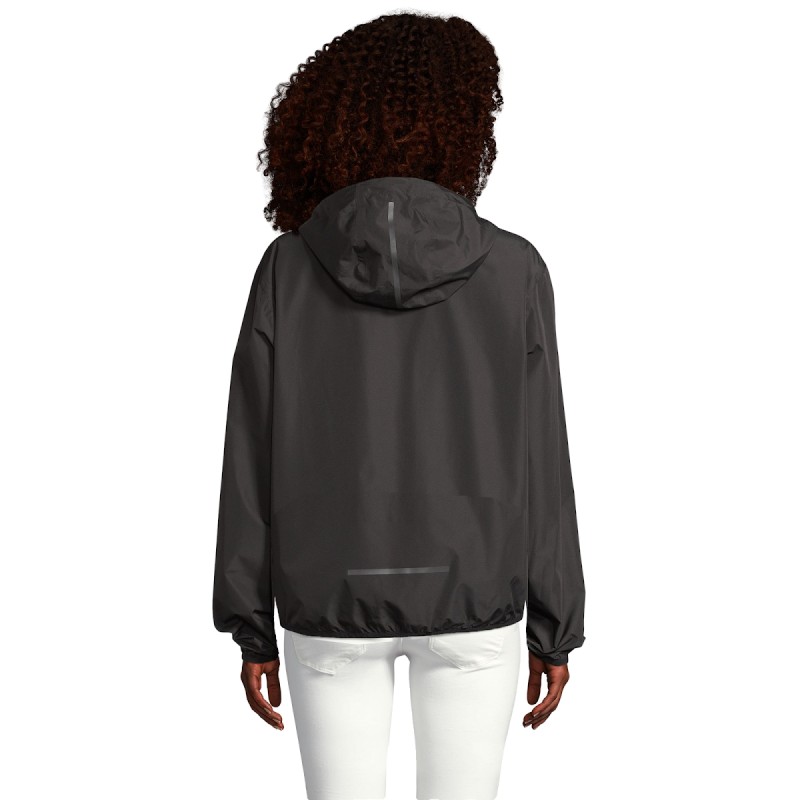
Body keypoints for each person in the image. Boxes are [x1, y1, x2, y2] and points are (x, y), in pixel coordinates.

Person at [212, 11, 586, 800]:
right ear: (462, 125)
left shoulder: (287, 269)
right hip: (473, 595)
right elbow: (543, 457)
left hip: (328, 596)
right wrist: (557, 626)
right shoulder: (514, 268)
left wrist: (250, 624)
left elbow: (249, 455)